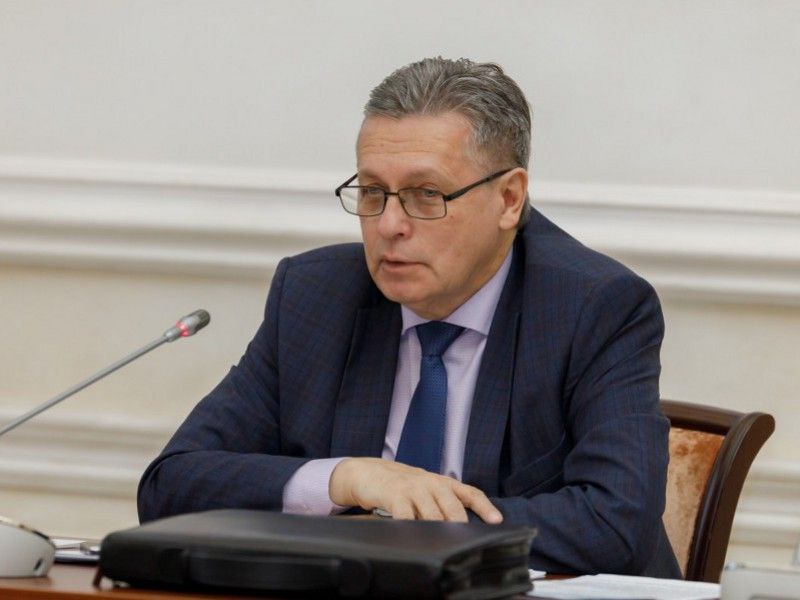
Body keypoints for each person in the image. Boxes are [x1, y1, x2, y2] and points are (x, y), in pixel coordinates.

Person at [138, 57, 680, 577]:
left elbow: (615, 524)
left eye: (426, 194)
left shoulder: (593, 306)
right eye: (372, 192)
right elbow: (171, 485)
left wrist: (390, 531)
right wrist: (344, 478)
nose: (389, 225)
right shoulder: (315, 296)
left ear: (509, 199)